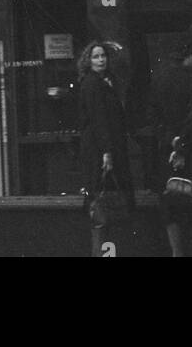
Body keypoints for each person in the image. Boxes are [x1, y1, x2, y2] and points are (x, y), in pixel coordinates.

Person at [150, 28, 192, 256]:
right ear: (191, 54)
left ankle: (177, 253)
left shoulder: (159, 80)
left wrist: (172, 142)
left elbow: (155, 118)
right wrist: (183, 145)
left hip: (168, 153)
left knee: (172, 206)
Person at [77, 40, 132, 253]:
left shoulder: (105, 82)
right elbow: (99, 119)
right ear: (88, 61)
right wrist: (106, 152)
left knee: (104, 205)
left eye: (103, 56)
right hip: (99, 152)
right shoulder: (92, 84)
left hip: (105, 149)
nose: (101, 60)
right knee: (99, 205)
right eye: (96, 57)